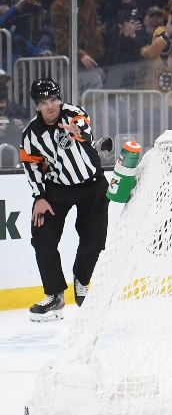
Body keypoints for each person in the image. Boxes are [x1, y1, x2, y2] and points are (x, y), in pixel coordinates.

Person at [19, 79, 108, 322]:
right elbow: (31, 165)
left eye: (54, 100)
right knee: (42, 236)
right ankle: (55, 294)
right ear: (37, 106)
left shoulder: (74, 114)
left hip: (92, 184)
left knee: (96, 239)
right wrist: (39, 196)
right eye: (44, 102)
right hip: (57, 189)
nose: (51, 106)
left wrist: (78, 133)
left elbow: (86, 131)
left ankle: (81, 278)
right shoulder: (31, 134)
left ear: (60, 99)